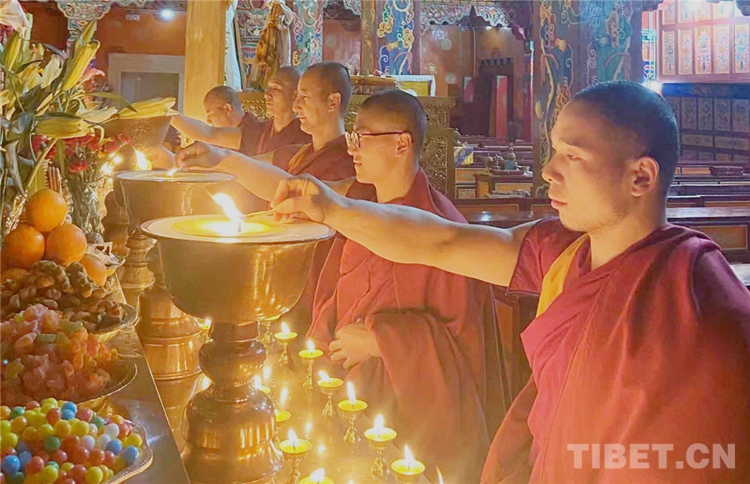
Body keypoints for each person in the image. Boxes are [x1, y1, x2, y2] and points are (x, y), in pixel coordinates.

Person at [270, 81, 750, 483]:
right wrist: (330, 207)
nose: (548, 171)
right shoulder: (561, 253)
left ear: (641, 177)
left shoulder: (704, 310)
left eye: (572, 157)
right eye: (553, 150)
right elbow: (439, 241)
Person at [305, 90, 507, 482]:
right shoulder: (363, 212)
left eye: (362, 138)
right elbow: (334, 291)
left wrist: (381, 341)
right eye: (352, 137)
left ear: (402, 142)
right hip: (347, 389)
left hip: (403, 418)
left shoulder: (442, 230)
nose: (353, 149)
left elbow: (461, 343)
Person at [177, 61, 373, 331]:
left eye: (304, 97)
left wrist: (224, 160)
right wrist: (217, 159)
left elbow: (299, 190)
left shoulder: (350, 163)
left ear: (333, 102)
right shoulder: (298, 152)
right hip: (285, 271)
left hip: (321, 278)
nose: (296, 107)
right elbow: (258, 168)